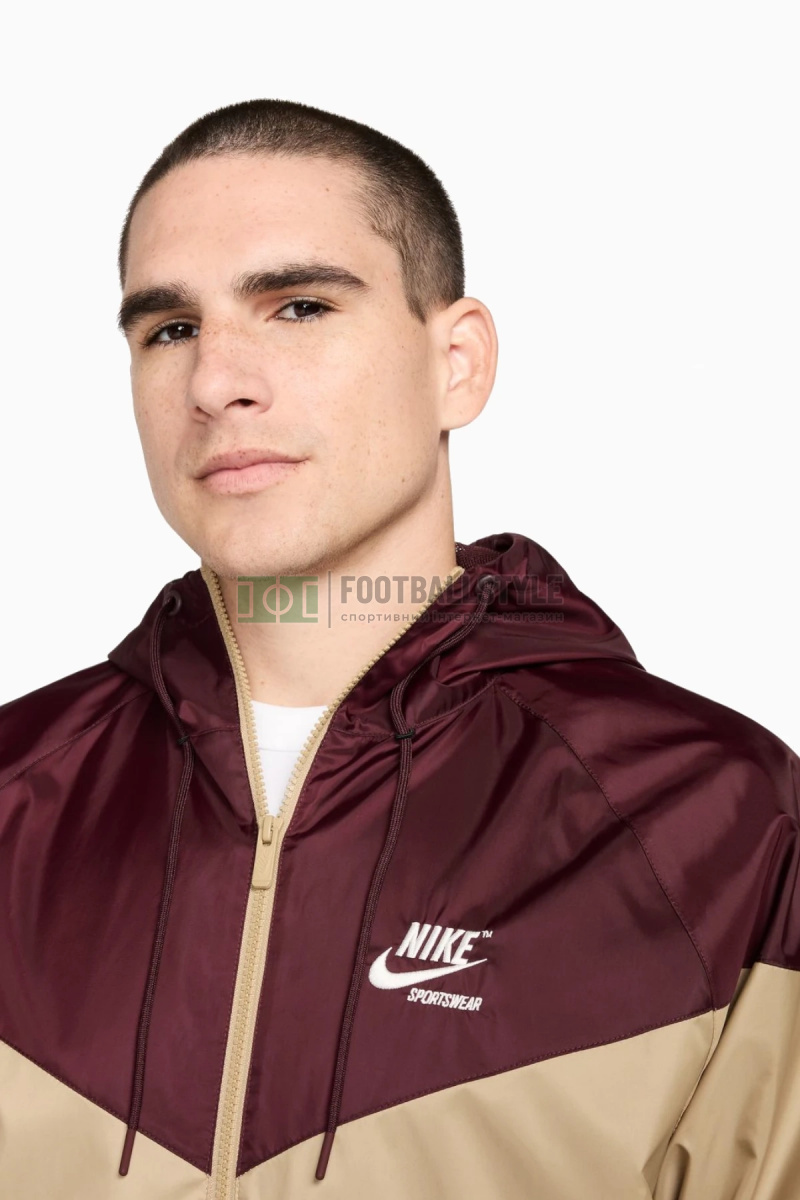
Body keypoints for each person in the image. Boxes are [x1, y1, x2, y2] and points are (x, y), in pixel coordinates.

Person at [0, 99, 797, 1200]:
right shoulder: (15, 792)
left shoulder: (712, 819)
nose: (216, 382)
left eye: (298, 307)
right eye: (170, 328)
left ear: (456, 363)